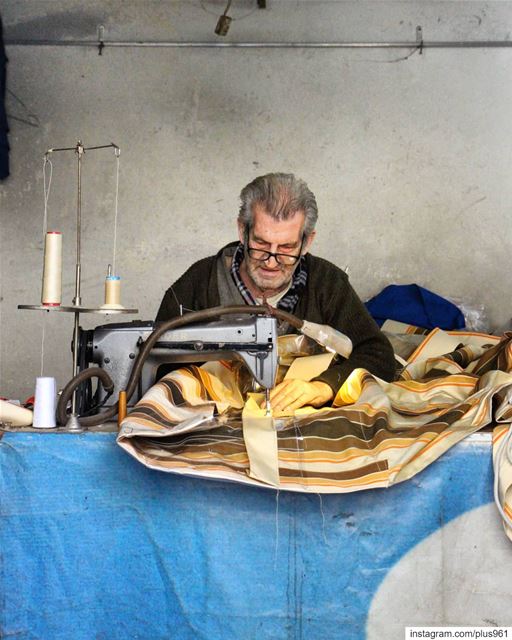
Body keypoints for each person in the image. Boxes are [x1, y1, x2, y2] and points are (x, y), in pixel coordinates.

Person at [156, 173, 395, 413]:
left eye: (287, 248)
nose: (271, 262)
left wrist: (323, 387)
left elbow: (379, 356)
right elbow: (157, 366)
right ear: (242, 231)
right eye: (261, 244)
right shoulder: (197, 285)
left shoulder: (327, 283)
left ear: (307, 242)